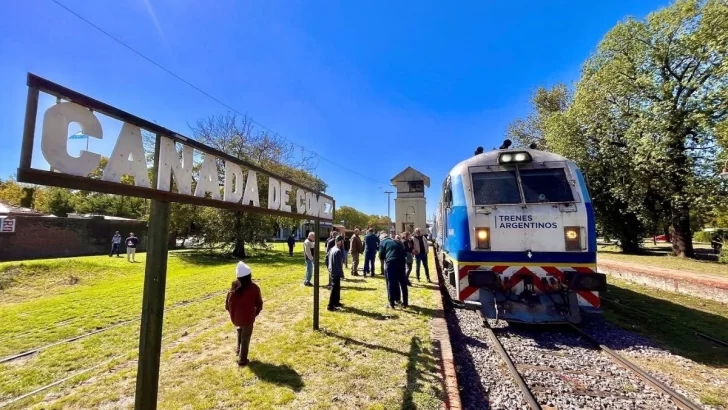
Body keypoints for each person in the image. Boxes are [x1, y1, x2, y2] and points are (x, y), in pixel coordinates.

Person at [225, 261, 263, 366]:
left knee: (240, 329)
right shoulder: (254, 288)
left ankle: (238, 348)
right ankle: (242, 360)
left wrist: (234, 314)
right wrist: (254, 314)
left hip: (235, 318)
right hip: (247, 318)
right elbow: (259, 304)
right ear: (249, 275)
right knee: (245, 337)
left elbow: (227, 305)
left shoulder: (232, 288)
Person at [379, 233, 407, 309]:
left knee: (391, 281)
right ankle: (405, 302)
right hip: (401, 261)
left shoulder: (382, 242)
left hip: (391, 262)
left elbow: (381, 256)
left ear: (381, 239)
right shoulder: (395, 241)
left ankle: (391, 303)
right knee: (402, 282)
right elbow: (404, 252)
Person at [327, 235, 345, 311]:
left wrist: (329, 268)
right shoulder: (337, 251)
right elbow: (338, 265)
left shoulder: (332, 249)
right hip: (336, 272)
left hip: (332, 271)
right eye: (342, 242)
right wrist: (341, 274)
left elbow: (326, 259)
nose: (342, 243)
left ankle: (336, 302)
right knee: (334, 288)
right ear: (339, 242)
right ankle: (330, 306)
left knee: (337, 287)